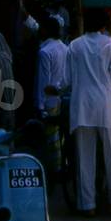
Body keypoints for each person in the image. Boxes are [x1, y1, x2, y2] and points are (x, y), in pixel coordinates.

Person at [66, 7, 111, 216]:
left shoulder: (74, 46)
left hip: (82, 106)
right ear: (104, 25)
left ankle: (87, 205)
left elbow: (66, 80)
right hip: (105, 105)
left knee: (85, 159)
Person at [34, 11, 68, 178]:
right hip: (62, 98)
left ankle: (55, 171)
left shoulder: (45, 52)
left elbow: (43, 82)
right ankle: (61, 167)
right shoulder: (65, 48)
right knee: (59, 136)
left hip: (49, 101)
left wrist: (40, 107)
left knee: (51, 138)